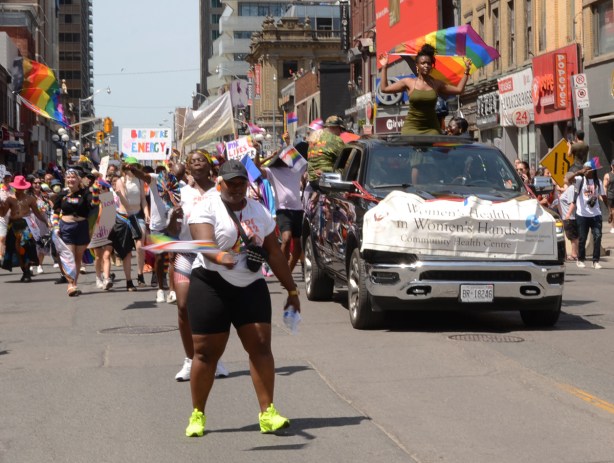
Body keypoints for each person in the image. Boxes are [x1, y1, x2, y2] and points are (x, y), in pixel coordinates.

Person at [184, 160, 300, 437]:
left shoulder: (258, 211)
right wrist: (218, 255)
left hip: (250, 285)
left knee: (261, 347)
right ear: (219, 183)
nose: (236, 188)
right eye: (231, 183)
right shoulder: (206, 207)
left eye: (241, 183)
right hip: (211, 284)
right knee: (206, 353)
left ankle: (267, 413)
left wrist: (292, 290)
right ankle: (198, 414)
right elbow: (204, 243)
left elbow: (274, 253)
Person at [166, 150, 229, 382]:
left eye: (200, 159)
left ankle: (215, 358)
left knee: (216, 309)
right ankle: (190, 359)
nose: (196, 163)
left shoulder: (221, 191)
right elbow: (171, 232)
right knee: (183, 306)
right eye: (192, 162)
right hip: (187, 253)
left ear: (209, 165)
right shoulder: (180, 193)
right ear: (188, 169)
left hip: (213, 255)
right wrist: (173, 217)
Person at [379, 44, 472, 135]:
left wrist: (466, 71)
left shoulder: (436, 84)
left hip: (432, 129)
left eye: (429, 63)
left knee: (434, 150)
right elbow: (384, 89)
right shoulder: (408, 82)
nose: (426, 65)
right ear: (417, 65)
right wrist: (384, 67)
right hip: (411, 129)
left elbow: (459, 90)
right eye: (423, 63)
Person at [130, 163, 178, 303]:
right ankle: (160, 289)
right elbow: (143, 176)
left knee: (173, 257)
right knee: (160, 258)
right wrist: (134, 170)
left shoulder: (178, 184)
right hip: (158, 225)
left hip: (173, 226)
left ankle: (172, 291)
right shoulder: (155, 179)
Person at [255, 147, 307, 272]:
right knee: (286, 238)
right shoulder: (273, 171)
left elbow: (307, 165)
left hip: (298, 210)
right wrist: (257, 151)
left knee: (298, 246)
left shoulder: (297, 169)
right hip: (283, 210)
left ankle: (287, 272)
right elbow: (256, 168)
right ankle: (282, 270)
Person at [52, 168, 100, 296]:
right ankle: (70, 284)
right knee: (69, 257)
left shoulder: (85, 193)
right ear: (65, 180)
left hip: (82, 227)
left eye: (73, 177)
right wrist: (56, 226)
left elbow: (94, 204)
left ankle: (74, 283)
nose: (70, 180)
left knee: (78, 258)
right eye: (68, 177)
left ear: (79, 179)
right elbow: (56, 212)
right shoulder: (62, 194)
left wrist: (95, 188)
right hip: (66, 227)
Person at [107, 158, 148, 291]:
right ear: (125, 168)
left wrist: (146, 212)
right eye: (130, 167)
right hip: (124, 217)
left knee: (140, 245)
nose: (132, 169)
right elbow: (123, 200)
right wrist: (119, 195)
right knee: (126, 252)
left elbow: (143, 199)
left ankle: (140, 275)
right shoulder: (120, 181)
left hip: (137, 215)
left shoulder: (140, 181)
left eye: (134, 166)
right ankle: (129, 281)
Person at [0, 175, 49, 281]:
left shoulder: (30, 199)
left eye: (21, 188)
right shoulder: (10, 199)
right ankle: (25, 271)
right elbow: (3, 213)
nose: (19, 190)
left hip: (26, 225)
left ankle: (26, 271)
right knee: (17, 250)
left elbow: (37, 213)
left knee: (26, 248)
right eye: (17, 187)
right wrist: (1, 206)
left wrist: (46, 221)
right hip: (13, 225)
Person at [567, 163, 606, 269]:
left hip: (596, 214)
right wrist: (578, 172)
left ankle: (595, 261)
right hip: (582, 215)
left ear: (593, 170)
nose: (586, 171)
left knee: (597, 236)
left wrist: (610, 211)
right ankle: (580, 259)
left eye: (588, 169)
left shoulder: (598, 182)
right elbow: (568, 179)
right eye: (585, 169)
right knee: (582, 238)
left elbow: (603, 196)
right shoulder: (580, 179)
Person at [306, 115, 346, 186]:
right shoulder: (335, 139)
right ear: (334, 127)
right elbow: (347, 160)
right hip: (326, 179)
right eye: (340, 129)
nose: (341, 133)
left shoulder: (314, 137)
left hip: (312, 180)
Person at [560, 172, 579, 261]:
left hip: (570, 217)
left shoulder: (571, 188)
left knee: (572, 237)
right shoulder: (569, 188)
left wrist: (568, 214)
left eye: (564, 177)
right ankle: (575, 253)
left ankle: (574, 254)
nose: (563, 178)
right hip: (567, 216)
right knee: (572, 236)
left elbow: (572, 202)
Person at [603, 160, 614, 234]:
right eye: (613, 165)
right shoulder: (607, 175)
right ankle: (613, 227)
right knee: (612, 212)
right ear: (611, 166)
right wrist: (605, 196)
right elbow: (605, 186)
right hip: (610, 196)